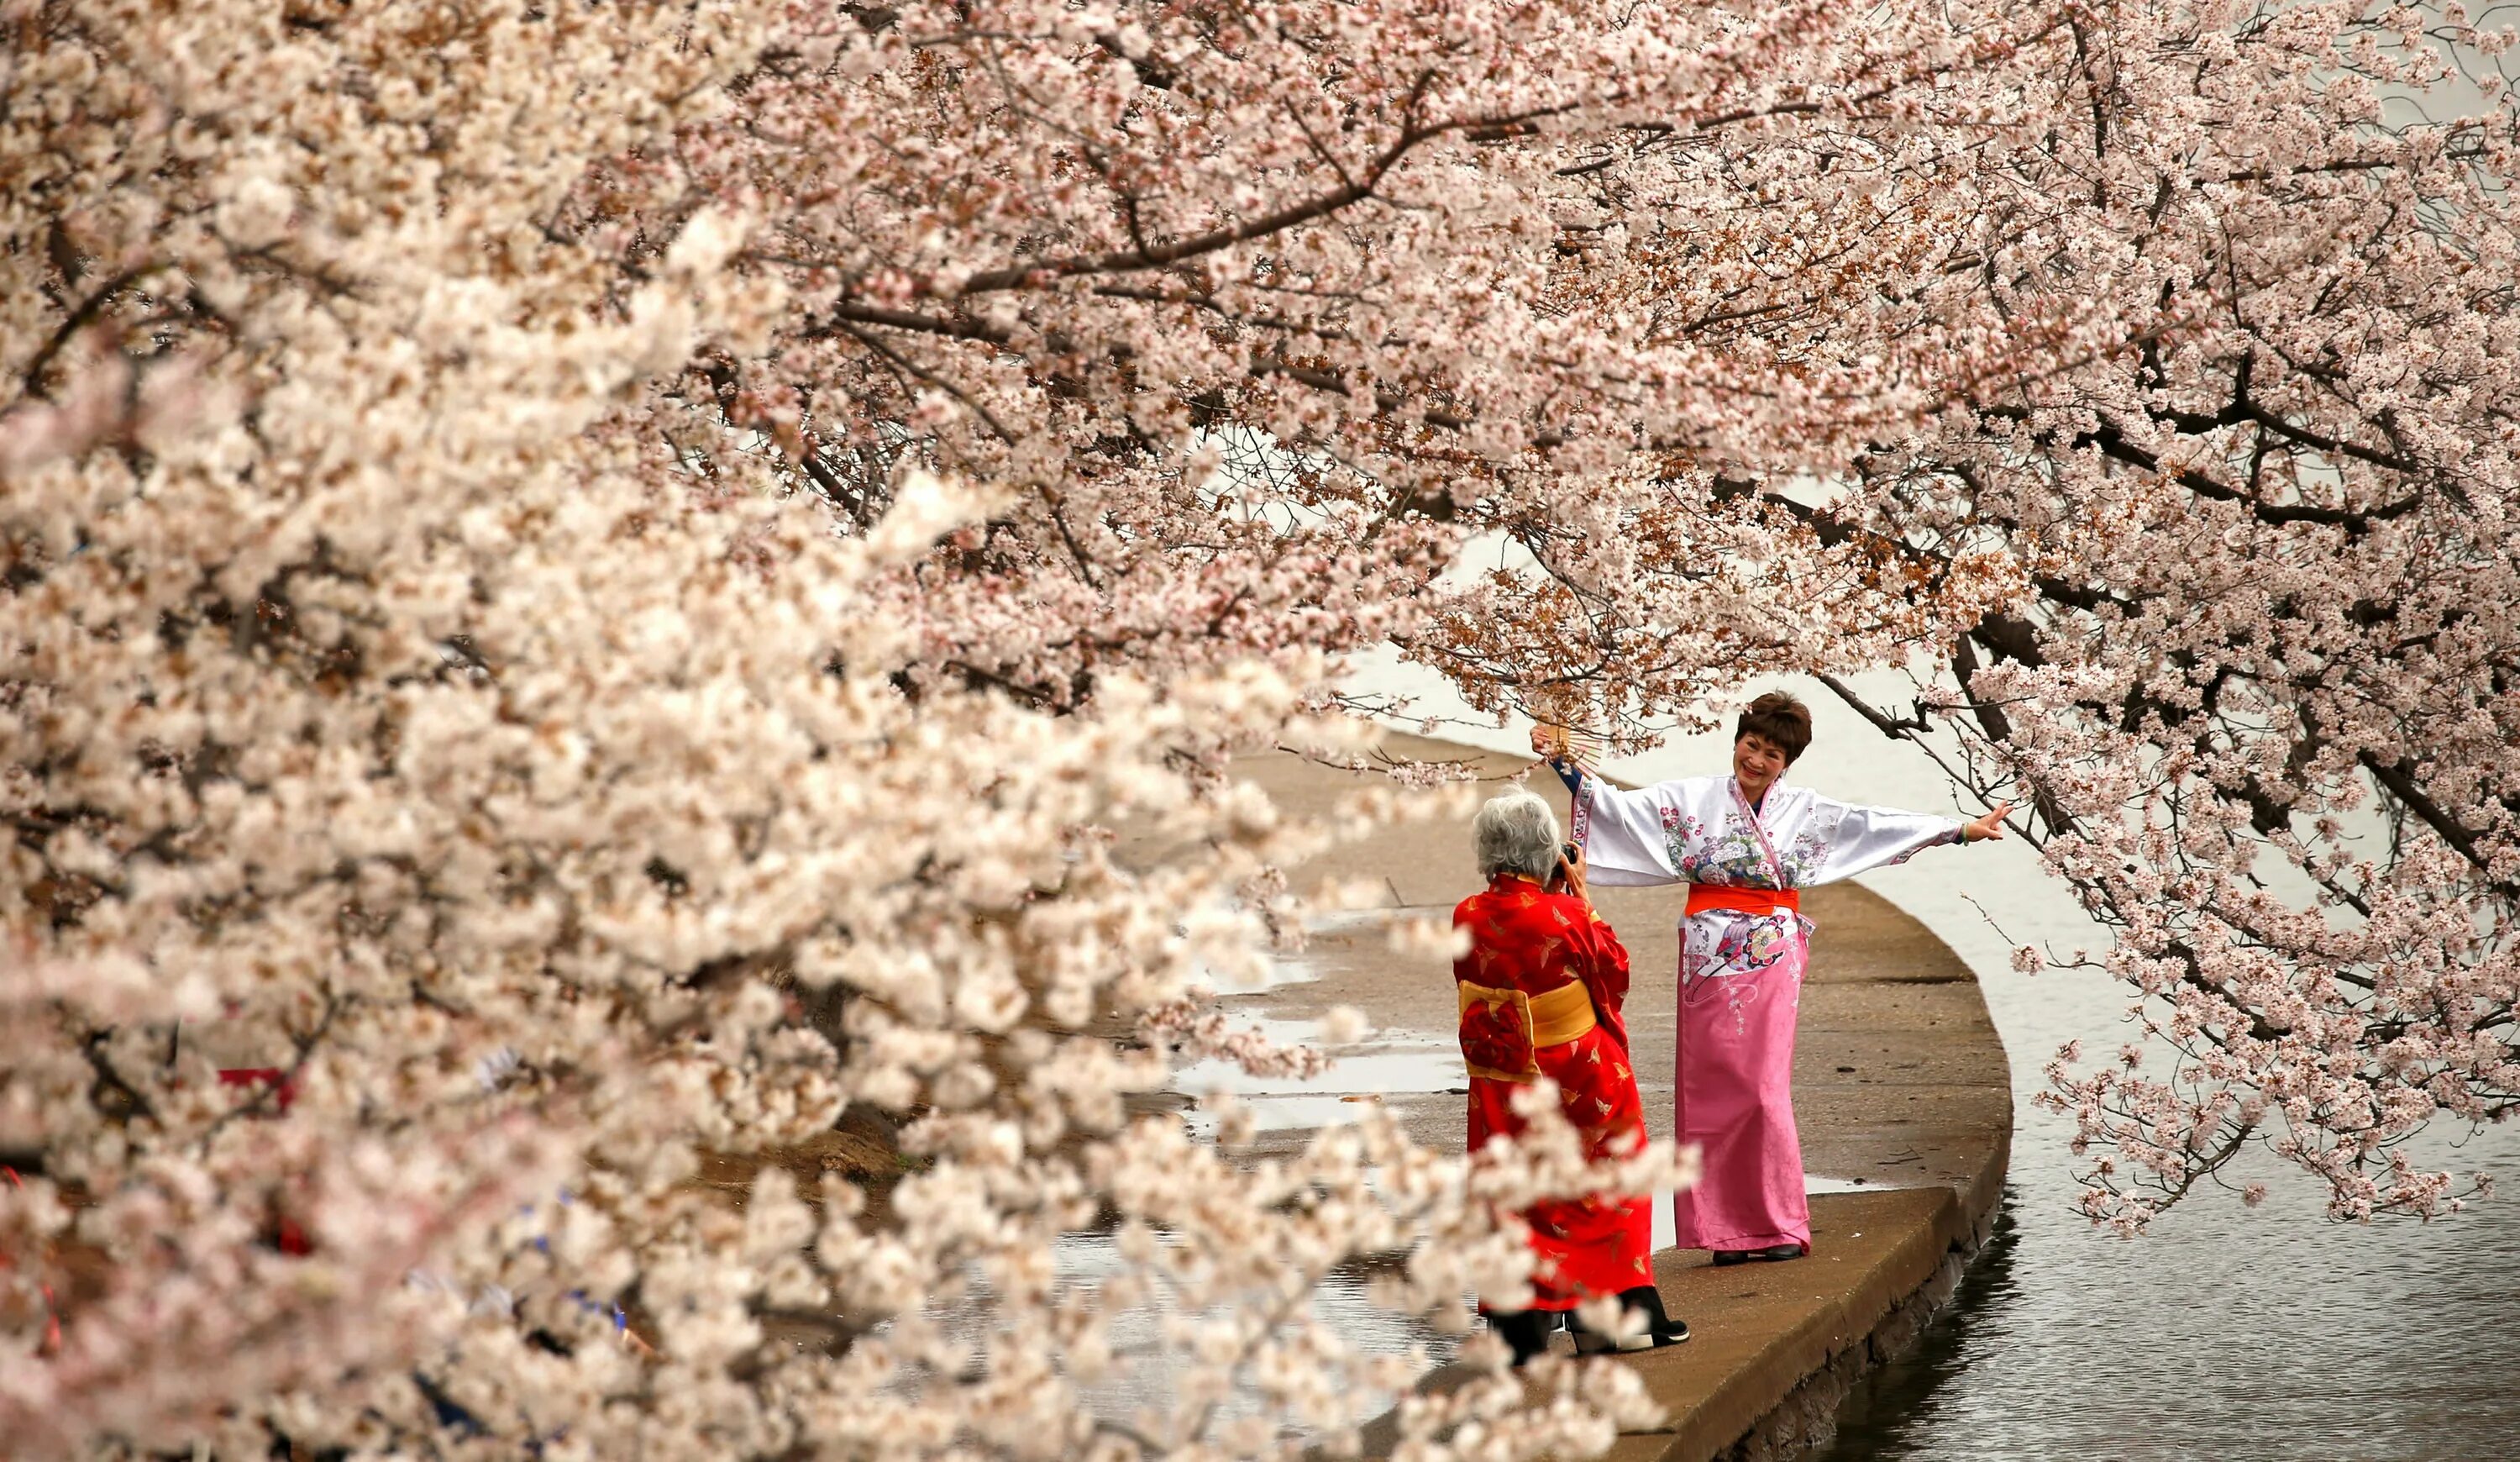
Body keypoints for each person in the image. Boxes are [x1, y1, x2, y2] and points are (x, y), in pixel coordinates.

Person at [1536, 692, 2009, 1265]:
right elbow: (1616, 809)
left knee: (1762, 1089)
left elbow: (1867, 827)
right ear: (1737, 741)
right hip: (1708, 952)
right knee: (1707, 1091)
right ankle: (1721, 1232)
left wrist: (1957, 830)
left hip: (1770, 951)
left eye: (1772, 755)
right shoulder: (1693, 800)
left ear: (1788, 764)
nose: (1756, 760)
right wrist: (1562, 760)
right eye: (1752, 745)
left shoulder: (1803, 812)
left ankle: (1775, 1224)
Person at [1456, 789, 1688, 1364]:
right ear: (1546, 853)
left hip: (1503, 1073)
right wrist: (1581, 895)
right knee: (1604, 1184)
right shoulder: (1569, 914)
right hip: (1574, 1073)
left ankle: (1520, 1328)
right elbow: (1613, 973)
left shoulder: (1466, 913)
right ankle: (1612, 1319)